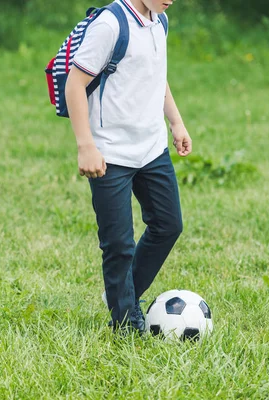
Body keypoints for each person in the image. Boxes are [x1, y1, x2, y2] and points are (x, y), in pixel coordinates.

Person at [65, 0, 191, 334]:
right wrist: (86, 146)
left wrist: (176, 123)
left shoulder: (159, 20)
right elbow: (74, 85)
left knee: (168, 225)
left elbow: (155, 76)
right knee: (118, 244)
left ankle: (124, 295)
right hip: (110, 154)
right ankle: (124, 322)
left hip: (151, 148)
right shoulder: (111, 25)